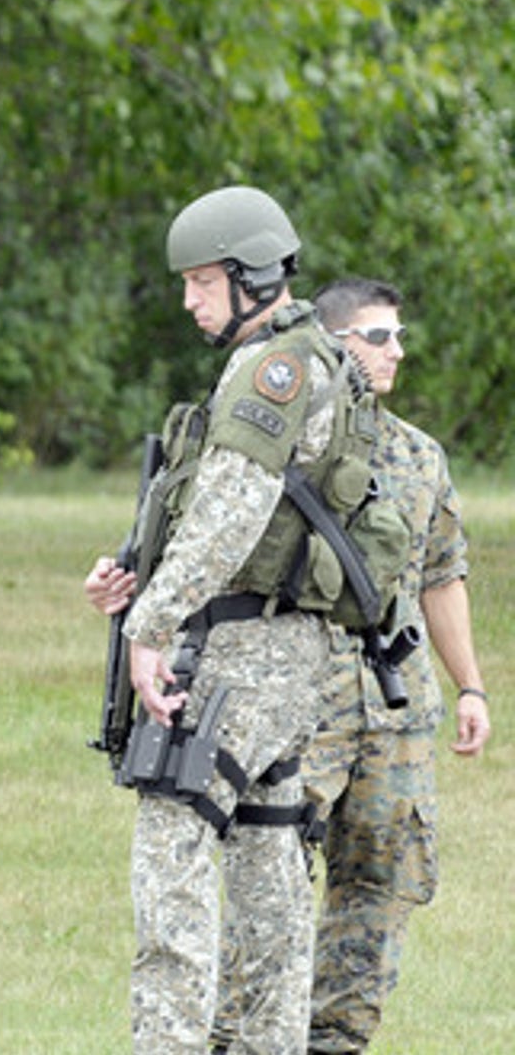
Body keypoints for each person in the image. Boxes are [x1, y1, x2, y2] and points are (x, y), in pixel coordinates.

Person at [82, 186, 401, 1054]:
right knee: (271, 882)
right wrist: (140, 579)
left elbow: (230, 512)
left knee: (172, 876)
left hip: (239, 660)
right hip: (289, 663)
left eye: (202, 282)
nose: (189, 302)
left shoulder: (274, 369)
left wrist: (149, 630)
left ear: (253, 277)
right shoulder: (313, 361)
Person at [209, 277, 493, 1054]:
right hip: (305, 700)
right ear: (334, 344)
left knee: (383, 881)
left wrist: (469, 684)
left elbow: (441, 573)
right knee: (268, 871)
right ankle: (237, 1036)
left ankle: (335, 1040)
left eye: (400, 336)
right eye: (378, 337)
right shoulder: (281, 439)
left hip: (397, 710)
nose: (396, 350)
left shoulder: (420, 456)